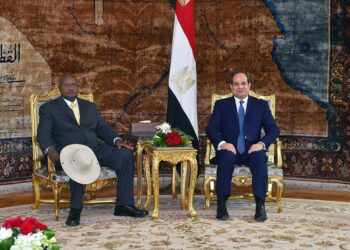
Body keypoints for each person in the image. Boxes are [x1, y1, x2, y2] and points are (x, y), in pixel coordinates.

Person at [38, 73, 148, 226]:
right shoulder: (49, 108)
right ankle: (75, 211)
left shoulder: (89, 106)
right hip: (68, 153)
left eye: (73, 85)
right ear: (59, 88)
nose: (70, 88)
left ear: (77, 87)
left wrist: (117, 140)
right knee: (78, 163)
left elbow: (102, 128)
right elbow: (43, 133)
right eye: (66, 85)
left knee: (125, 154)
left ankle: (124, 205)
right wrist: (49, 150)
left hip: (94, 149)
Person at [206, 72, 280, 222]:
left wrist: (261, 144)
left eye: (243, 83)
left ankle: (260, 205)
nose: (240, 87)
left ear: (249, 85)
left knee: (259, 157)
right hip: (230, 148)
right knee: (225, 156)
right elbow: (211, 129)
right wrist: (223, 144)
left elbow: (274, 130)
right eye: (236, 84)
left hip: (251, 149)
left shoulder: (261, 105)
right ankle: (221, 204)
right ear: (231, 87)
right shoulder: (222, 105)